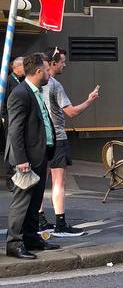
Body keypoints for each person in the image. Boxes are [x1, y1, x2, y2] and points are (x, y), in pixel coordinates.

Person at [38, 47, 99, 237]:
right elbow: (71, 112)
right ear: (53, 63)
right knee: (59, 182)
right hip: (57, 137)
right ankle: (60, 222)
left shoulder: (33, 84)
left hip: (39, 138)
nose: (65, 64)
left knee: (40, 181)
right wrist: (90, 100)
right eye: (63, 61)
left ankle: (39, 220)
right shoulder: (55, 85)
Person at [5, 53, 60, 259]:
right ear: (38, 71)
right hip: (26, 158)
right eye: (46, 70)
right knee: (22, 201)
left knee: (34, 200)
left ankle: (30, 237)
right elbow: (15, 130)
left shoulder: (35, 91)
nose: (49, 73)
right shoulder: (21, 93)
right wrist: (21, 160)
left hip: (40, 154)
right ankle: (15, 243)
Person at [3, 56, 24, 191]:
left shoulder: (19, 81)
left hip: (17, 119)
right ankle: (10, 179)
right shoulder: (9, 81)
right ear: (17, 67)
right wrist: (5, 117)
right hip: (11, 119)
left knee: (16, 148)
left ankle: (16, 178)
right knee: (11, 149)